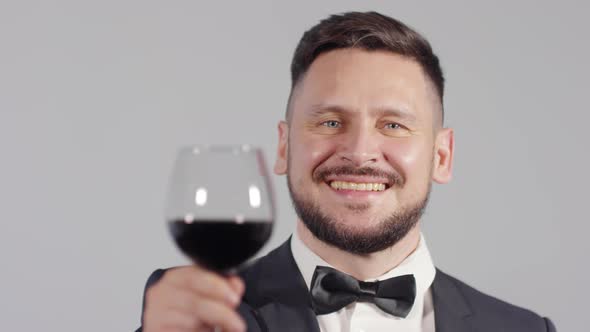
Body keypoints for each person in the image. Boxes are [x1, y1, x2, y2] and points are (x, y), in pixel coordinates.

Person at [136, 11, 556, 332]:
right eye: (330, 122)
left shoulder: (524, 329)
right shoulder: (196, 315)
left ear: (441, 156)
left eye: (393, 125)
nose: (359, 152)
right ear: (284, 147)